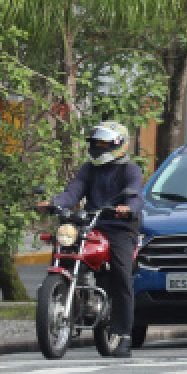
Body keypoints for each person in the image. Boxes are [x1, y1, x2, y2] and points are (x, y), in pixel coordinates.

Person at [39, 122, 143, 358]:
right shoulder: (89, 169)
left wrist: (127, 209)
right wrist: (55, 203)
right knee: (64, 252)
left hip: (120, 227)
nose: (99, 147)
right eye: (96, 143)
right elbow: (73, 191)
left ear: (119, 145)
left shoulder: (130, 170)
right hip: (89, 224)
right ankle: (63, 298)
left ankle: (124, 334)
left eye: (104, 144)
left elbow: (136, 194)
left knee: (121, 274)